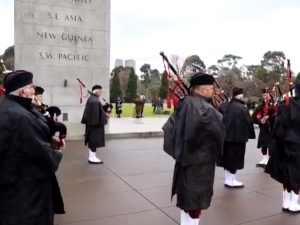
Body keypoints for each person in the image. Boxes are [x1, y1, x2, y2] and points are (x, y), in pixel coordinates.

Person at [0, 70, 63, 225]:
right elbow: (43, 154)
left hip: (12, 182)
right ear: (22, 91)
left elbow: (24, 139)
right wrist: (57, 151)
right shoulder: (21, 116)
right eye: (31, 86)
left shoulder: (9, 107)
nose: (34, 90)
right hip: (28, 189)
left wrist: (48, 137)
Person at [171, 72, 225, 225]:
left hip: (185, 158)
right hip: (200, 161)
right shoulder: (205, 109)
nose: (213, 91)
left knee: (187, 199)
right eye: (211, 89)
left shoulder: (185, 103)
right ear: (203, 90)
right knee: (195, 200)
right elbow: (218, 134)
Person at [265, 83, 300, 213]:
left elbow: (276, 127)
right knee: (297, 175)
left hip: (284, 143)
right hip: (298, 145)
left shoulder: (285, 105)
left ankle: (286, 202)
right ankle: (293, 203)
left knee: (286, 173)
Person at [221, 87, 256, 188]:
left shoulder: (224, 106)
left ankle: (228, 179)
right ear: (240, 96)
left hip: (225, 137)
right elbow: (248, 122)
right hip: (238, 139)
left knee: (227, 159)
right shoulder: (242, 108)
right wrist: (249, 135)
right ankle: (231, 180)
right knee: (235, 160)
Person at [81, 85, 107, 164]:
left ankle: (92, 156)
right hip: (95, 125)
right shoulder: (94, 101)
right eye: (100, 91)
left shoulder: (93, 99)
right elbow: (95, 114)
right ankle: (92, 157)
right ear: (96, 91)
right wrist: (102, 120)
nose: (101, 92)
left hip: (92, 124)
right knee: (94, 141)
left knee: (92, 141)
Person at [252, 88, 277, 168]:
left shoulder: (274, 104)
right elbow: (257, 114)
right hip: (263, 127)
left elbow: (277, 114)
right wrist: (260, 120)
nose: (264, 96)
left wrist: (269, 117)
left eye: (266, 95)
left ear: (269, 94)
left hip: (271, 127)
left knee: (270, 144)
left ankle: (269, 160)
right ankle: (264, 159)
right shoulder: (262, 104)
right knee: (263, 144)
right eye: (263, 95)